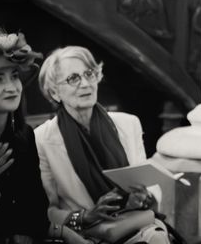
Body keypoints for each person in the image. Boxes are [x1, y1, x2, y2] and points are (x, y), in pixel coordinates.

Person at [34, 46, 171, 244]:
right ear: (54, 92)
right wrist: (85, 216)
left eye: (89, 74)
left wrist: (144, 197)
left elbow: (147, 183)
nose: (85, 84)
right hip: (86, 235)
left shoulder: (129, 123)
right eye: (73, 78)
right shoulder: (42, 139)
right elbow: (47, 210)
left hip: (135, 226)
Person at [0, 29, 87, 244]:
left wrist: (64, 232)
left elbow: (36, 214)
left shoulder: (24, 136)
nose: (11, 87)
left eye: (14, 76)